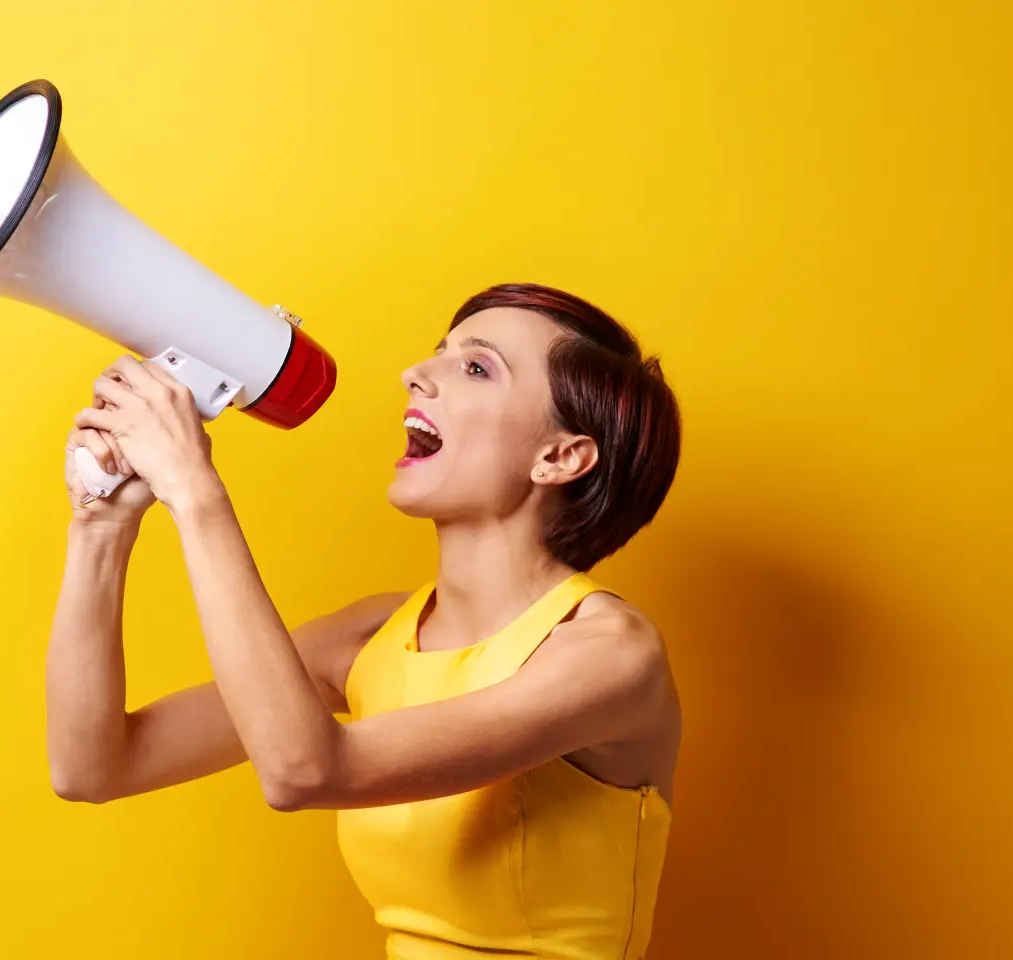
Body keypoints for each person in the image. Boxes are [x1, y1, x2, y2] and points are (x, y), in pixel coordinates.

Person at [46, 283, 684, 959]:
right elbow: (93, 767)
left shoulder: (609, 655)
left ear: (560, 457)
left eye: (476, 368)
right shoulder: (373, 636)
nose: (416, 374)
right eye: (440, 352)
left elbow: (308, 771)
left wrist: (194, 491)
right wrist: (102, 525)